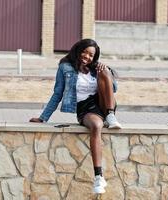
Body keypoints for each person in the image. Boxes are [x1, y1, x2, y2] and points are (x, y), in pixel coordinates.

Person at [29, 38, 121, 194]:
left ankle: (110, 115)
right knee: (97, 126)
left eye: (91, 55)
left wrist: (106, 72)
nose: (87, 56)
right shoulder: (65, 68)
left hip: (103, 103)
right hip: (85, 108)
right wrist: (43, 117)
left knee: (106, 70)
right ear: (78, 50)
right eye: (85, 52)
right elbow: (57, 93)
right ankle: (99, 177)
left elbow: (113, 89)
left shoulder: (95, 68)